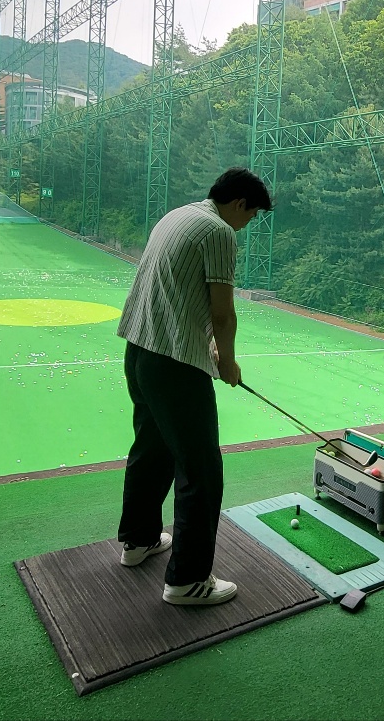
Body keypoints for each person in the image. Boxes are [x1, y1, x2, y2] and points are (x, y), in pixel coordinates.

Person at [114, 167, 271, 606]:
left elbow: (179, 294)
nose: (248, 224)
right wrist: (229, 361)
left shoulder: (178, 216)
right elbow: (222, 313)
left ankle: (139, 540)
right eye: (252, 214)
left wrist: (214, 353)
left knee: (153, 448)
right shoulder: (219, 232)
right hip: (176, 365)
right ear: (239, 203)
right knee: (201, 471)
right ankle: (187, 580)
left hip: (140, 350)